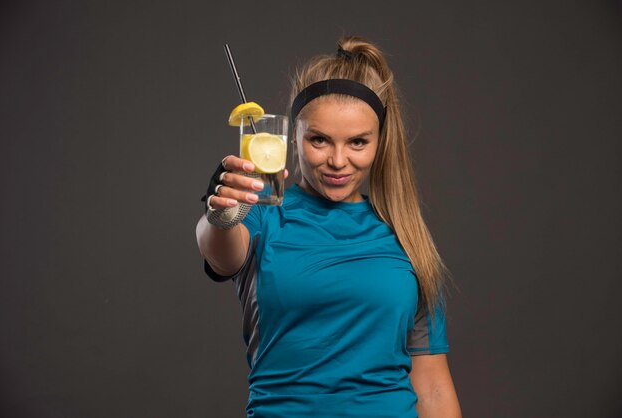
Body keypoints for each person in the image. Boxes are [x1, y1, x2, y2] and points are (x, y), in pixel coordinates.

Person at [196, 36, 462, 418]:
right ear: (294, 137)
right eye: (319, 140)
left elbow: (433, 387)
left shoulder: (407, 236)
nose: (339, 160)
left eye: (357, 142)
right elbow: (219, 253)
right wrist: (222, 212)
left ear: (380, 143)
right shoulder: (264, 215)